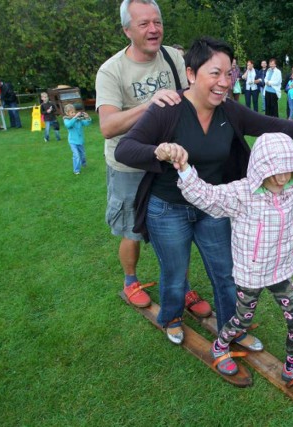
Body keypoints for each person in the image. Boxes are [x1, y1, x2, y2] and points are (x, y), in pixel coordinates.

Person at [114, 36, 293, 344]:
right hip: (168, 208)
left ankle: (232, 328)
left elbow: (268, 123)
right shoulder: (168, 109)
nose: (224, 82)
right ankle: (173, 317)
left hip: (214, 205)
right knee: (175, 273)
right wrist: (159, 151)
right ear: (191, 74)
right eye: (215, 73)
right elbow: (125, 149)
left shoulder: (229, 111)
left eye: (229, 73)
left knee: (227, 273)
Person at [173, 132, 293, 391]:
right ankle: (220, 346)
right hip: (252, 274)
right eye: (276, 172)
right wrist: (184, 170)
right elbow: (207, 196)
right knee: (241, 320)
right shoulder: (242, 194)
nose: (283, 178)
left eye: (288, 171)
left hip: (280, 271)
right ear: (259, 169)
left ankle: (291, 368)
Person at [95, 0, 211, 315]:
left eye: (157, 22)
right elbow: (107, 126)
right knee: (132, 228)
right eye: (144, 23)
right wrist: (150, 104)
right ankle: (131, 281)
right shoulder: (112, 70)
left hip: (170, 160)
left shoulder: (175, 58)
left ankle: (182, 287)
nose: (153, 29)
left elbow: (195, 93)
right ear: (126, 30)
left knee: (176, 225)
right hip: (129, 163)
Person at [63, 105, 91, 175]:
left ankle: (84, 164)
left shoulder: (79, 120)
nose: (74, 114)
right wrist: (75, 118)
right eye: (71, 112)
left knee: (83, 155)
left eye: (74, 112)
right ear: (67, 113)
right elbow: (68, 125)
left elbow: (87, 123)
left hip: (80, 141)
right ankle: (76, 170)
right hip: (72, 141)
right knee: (76, 155)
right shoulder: (66, 120)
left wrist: (87, 117)